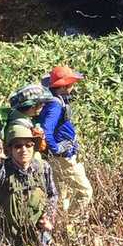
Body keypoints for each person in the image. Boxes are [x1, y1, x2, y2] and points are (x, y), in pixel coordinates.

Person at [0, 83, 52, 201]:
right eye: (41, 103)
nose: (43, 106)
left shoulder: (15, 118)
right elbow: (22, 156)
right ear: (32, 106)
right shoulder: (18, 127)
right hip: (10, 178)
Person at [39, 65, 93, 219]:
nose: (73, 86)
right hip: (63, 158)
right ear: (63, 87)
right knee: (85, 192)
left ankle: (61, 224)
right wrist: (56, 148)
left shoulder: (53, 99)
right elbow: (46, 130)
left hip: (57, 158)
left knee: (62, 195)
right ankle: (72, 223)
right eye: (71, 84)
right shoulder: (55, 105)